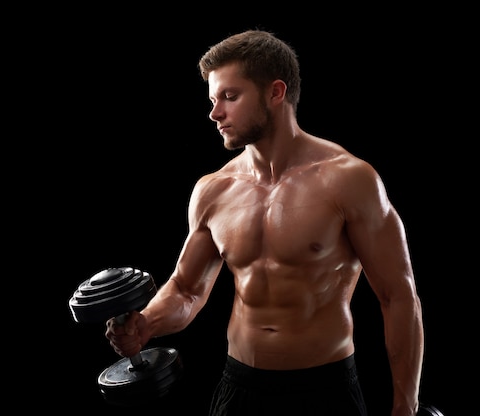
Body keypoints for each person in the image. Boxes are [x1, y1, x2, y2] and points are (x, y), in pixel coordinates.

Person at [105, 29, 424, 416]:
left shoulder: (348, 180)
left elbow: (398, 297)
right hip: (239, 387)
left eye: (230, 96)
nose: (215, 112)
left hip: (325, 390)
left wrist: (405, 406)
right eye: (212, 99)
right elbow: (187, 290)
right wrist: (147, 324)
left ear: (276, 93)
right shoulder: (214, 190)